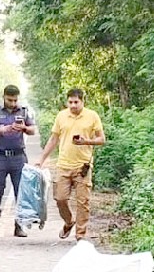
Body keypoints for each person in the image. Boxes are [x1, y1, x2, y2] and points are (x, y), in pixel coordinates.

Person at [35, 89, 105, 241]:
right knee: (60, 198)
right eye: (70, 102)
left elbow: (101, 139)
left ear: (82, 101)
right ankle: (68, 222)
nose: (73, 105)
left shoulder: (92, 116)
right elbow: (53, 139)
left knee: (83, 202)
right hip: (63, 165)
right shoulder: (61, 116)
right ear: (67, 102)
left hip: (83, 166)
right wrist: (42, 159)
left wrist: (86, 141)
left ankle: (80, 235)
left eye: (76, 102)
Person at [0, 85, 37, 237]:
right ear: (4, 97)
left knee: (21, 191)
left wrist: (24, 128)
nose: (13, 103)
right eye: (10, 100)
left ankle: (19, 225)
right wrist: (2, 130)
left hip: (18, 157)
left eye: (15, 100)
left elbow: (33, 130)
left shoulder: (23, 111)